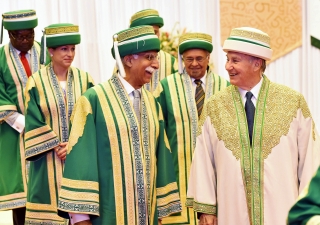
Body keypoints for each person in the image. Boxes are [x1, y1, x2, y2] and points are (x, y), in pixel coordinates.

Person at [186, 27, 320, 225]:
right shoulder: (215, 106)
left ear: (257, 63)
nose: (227, 67)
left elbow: (310, 159)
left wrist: (308, 213)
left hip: (282, 213)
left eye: (235, 60)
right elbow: (204, 160)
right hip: (231, 214)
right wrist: (207, 209)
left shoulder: (292, 102)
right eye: (227, 59)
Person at [57, 25, 181, 225]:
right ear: (129, 59)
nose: (156, 64)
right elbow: (80, 163)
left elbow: (162, 160)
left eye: (156, 57)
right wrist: (80, 220)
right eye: (149, 57)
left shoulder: (152, 103)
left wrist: (159, 214)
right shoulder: (93, 101)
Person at [153, 32, 229, 225]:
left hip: (218, 174)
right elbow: (156, 133)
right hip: (177, 175)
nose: (194, 64)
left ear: (208, 58)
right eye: (189, 59)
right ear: (182, 59)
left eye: (199, 59)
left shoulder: (225, 87)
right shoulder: (166, 87)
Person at [24, 23, 94, 224]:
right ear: (50, 50)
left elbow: (92, 117)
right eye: (64, 49)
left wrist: (73, 144)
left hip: (79, 158)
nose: (70, 54)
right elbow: (33, 120)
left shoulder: (85, 80)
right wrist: (57, 145)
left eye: (73, 48)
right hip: (47, 160)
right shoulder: (36, 82)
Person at [0, 9, 48, 225]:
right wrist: (23, 122)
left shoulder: (45, 53)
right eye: (20, 36)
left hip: (47, 128)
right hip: (13, 131)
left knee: (48, 186)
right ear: (9, 35)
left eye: (30, 35)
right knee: (22, 196)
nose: (26, 40)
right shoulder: (1, 58)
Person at [125, 9, 178, 92]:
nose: (152, 37)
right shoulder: (126, 60)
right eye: (148, 33)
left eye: (155, 32)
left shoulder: (171, 62)